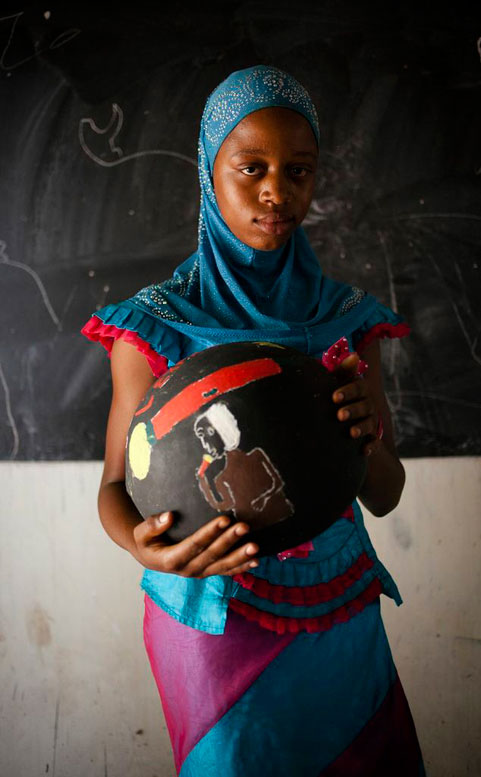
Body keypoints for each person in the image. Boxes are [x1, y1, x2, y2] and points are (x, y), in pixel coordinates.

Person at [82, 65, 423, 776]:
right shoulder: (153, 328)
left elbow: (384, 493)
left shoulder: (346, 322)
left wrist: (367, 441)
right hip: (211, 613)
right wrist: (149, 551)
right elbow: (115, 487)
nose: (278, 190)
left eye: (299, 170)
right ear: (210, 171)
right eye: (252, 167)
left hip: (339, 611)